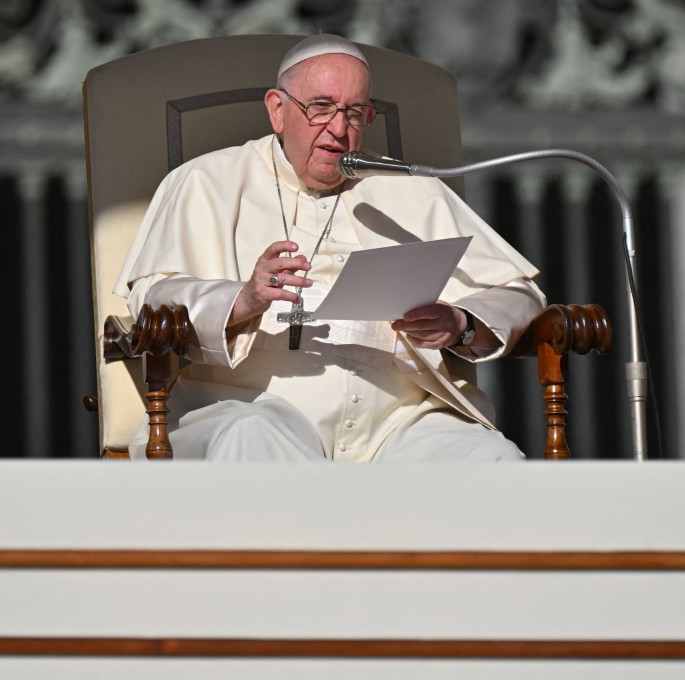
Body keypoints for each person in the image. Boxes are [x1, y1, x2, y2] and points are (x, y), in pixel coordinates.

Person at [115, 34, 545, 462]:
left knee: (490, 459)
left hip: (396, 424)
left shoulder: (414, 192)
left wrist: (462, 323)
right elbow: (153, 298)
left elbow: (520, 296)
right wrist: (242, 300)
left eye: (355, 113)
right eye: (320, 107)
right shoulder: (205, 182)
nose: (339, 129)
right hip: (251, 407)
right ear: (278, 110)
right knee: (253, 438)